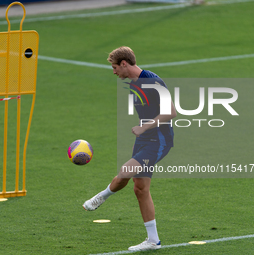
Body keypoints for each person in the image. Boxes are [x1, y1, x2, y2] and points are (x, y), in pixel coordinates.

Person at [82, 46, 176, 251]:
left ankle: (102, 196)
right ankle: (153, 241)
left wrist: (145, 127)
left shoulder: (152, 82)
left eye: (115, 67)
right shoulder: (134, 83)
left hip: (159, 140)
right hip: (145, 140)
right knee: (140, 188)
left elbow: (171, 112)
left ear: (124, 64)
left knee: (126, 171)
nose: (114, 71)